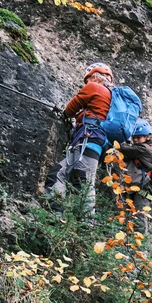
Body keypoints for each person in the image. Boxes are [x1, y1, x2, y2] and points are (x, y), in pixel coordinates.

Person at [45, 62, 114, 211]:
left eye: (88, 79)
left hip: (89, 138)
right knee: (60, 173)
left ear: (95, 77)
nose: (86, 83)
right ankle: (57, 213)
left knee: (83, 181)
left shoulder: (94, 87)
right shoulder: (112, 97)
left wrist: (65, 114)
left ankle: (85, 223)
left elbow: (72, 107)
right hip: (95, 141)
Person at [115, 119, 152, 230]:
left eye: (138, 138)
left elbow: (124, 149)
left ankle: (141, 245)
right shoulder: (141, 148)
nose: (135, 140)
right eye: (134, 138)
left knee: (139, 214)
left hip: (145, 189)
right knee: (130, 214)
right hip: (137, 187)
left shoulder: (145, 148)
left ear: (147, 137)